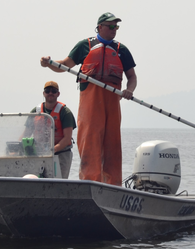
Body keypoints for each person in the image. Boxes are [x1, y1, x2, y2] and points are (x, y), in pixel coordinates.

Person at [40, 12, 137, 185]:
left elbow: (132, 77)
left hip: (112, 105)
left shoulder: (122, 50)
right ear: (100, 27)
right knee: (90, 142)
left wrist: (129, 90)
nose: (114, 30)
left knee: (112, 144)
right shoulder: (84, 46)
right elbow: (64, 65)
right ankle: (90, 183)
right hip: (90, 105)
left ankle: (113, 185)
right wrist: (49, 63)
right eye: (111, 26)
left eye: (116, 27)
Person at [30, 81, 77, 179]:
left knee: (59, 184)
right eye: (47, 91)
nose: (50, 93)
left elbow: (67, 138)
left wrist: (52, 150)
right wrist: (18, 147)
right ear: (44, 93)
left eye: (54, 91)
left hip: (61, 154)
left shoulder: (65, 112)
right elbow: (26, 132)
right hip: (39, 154)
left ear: (58, 94)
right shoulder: (36, 111)